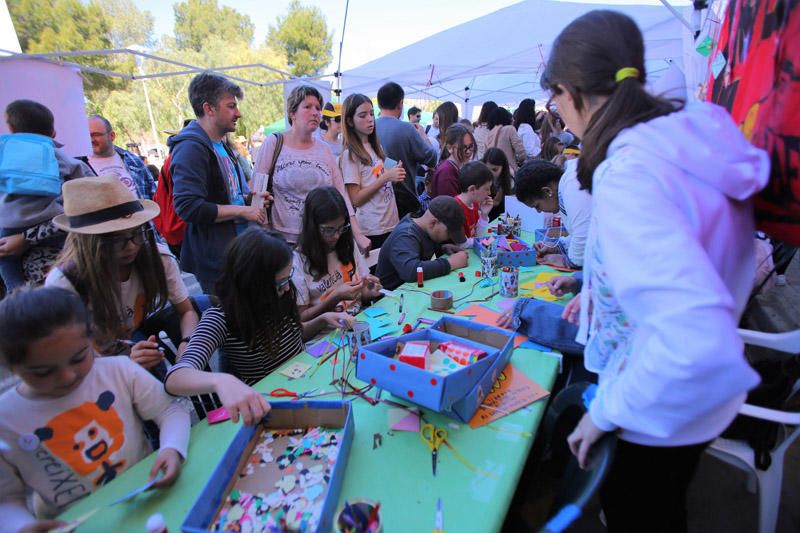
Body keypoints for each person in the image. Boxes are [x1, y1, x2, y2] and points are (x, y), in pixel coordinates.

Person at [543, 10, 767, 532]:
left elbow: (691, 335)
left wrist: (605, 411)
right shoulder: (675, 140)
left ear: (567, 92)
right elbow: (685, 253)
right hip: (677, 406)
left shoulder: (630, 175)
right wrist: (596, 286)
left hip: (651, 408)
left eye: (556, 100)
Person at [0, 287, 190, 532]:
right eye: (43, 372)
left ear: (91, 339)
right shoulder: (6, 418)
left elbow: (169, 411)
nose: (68, 376)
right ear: (12, 367)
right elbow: (6, 498)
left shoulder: (119, 371)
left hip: (150, 499)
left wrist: (172, 447)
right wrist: (20, 526)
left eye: (79, 356)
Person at [164, 228, 352, 424]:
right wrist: (220, 380)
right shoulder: (221, 319)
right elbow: (175, 378)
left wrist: (322, 320)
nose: (287, 288)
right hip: (272, 406)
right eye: (280, 283)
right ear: (251, 284)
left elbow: (293, 336)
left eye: (288, 279)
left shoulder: (282, 295)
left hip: (310, 385)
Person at [45, 175, 202, 377]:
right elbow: (64, 361)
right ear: (89, 241)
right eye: (116, 239)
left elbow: (187, 311)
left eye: (137, 233)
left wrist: (187, 345)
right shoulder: (64, 284)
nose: (131, 246)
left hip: (130, 339)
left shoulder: (157, 258)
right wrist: (125, 364)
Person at [169, 72, 270, 294]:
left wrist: (250, 201)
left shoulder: (222, 146)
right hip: (216, 265)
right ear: (209, 108)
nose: (238, 113)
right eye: (231, 106)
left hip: (237, 255)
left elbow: (224, 197)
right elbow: (188, 207)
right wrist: (243, 212)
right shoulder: (191, 147)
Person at [253, 85, 369, 250]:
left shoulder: (324, 149)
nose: (315, 112)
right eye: (307, 107)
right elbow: (257, 193)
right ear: (292, 113)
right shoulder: (274, 143)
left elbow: (341, 193)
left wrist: (357, 233)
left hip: (319, 242)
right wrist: (266, 237)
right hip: (283, 243)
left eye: (318, 108)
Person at [0, 100, 93, 290]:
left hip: (9, 230)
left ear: (11, 129)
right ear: (53, 133)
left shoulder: (6, 157)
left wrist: (25, 237)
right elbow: (91, 197)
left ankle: (16, 294)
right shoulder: (59, 157)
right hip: (58, 230)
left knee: (8, 265)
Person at [292, 187, 382, 321]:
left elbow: (360, 294)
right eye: (328, 230)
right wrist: (335, 297)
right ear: (312, 226)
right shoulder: (299, 260)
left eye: (341, 228)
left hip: (359, 320)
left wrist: (369, 290)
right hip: (326, 333)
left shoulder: (346, 244)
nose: (336, 236)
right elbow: (301, 319)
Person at [340, 93, 404, 250]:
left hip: (390, 222)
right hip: (372, 229)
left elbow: (377, 176)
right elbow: (355, 199)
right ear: (349, 121)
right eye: (363, 115)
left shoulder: (376, 147)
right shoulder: (350, 155)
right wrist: (385, 178)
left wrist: (393, 174)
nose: (370, 119)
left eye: (371, 114)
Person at [376, 196, 469, 290]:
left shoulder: (425, 229)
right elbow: (410, 271)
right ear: (433, 223)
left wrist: (442, 248)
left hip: (413, 289)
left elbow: (423, 247)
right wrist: (450, 263)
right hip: (391, 295)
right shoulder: (406, 235)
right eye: (448, 232)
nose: (449, 237)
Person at [375, 82, 437, 215]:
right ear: (400, 103)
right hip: (404, 199)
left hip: (376, 199)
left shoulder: (370, 128)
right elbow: (431, 159)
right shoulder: (407, 129)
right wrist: (424, 136)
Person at [515, 159, 591, 269]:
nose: (539, 211)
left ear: (547, 191)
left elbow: (584, 233)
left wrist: (568, 262)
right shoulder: (567, 186)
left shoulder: (572, 184)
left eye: (537, 205)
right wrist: (558, 247)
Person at [81, 115, 156, 200]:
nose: (91, 140)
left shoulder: (133, 160)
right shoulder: (79, 167)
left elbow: (153, 194)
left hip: (142, 212)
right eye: (87, 135)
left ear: (112, 135)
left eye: (96, 135)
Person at [430, 124, 476, 198]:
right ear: (450, 148)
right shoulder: (447, 172)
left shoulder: (455, 166)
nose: (468, 151)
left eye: (471, 146)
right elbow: (450, 207)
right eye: (463, 147)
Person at [454, 162, 493, 242]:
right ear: (472, 189)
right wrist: (483, 241)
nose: (489, 193)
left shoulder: (474, 203)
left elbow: (478, 234)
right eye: (486, 189)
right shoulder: (455, 208)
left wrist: (484, 215)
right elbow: (461, 244)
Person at [486, 107, 526, 174]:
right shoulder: (509, 129)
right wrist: (520, 161)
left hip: (494, 171)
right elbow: (520, 152)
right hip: (509, 170)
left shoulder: (490, 133)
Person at [481, 148, 514, 221]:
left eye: (494, 169)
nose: (490, 173)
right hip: (484, 218)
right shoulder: (478, 177)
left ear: (503, 168)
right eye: (487, 169)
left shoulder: (509, 181)